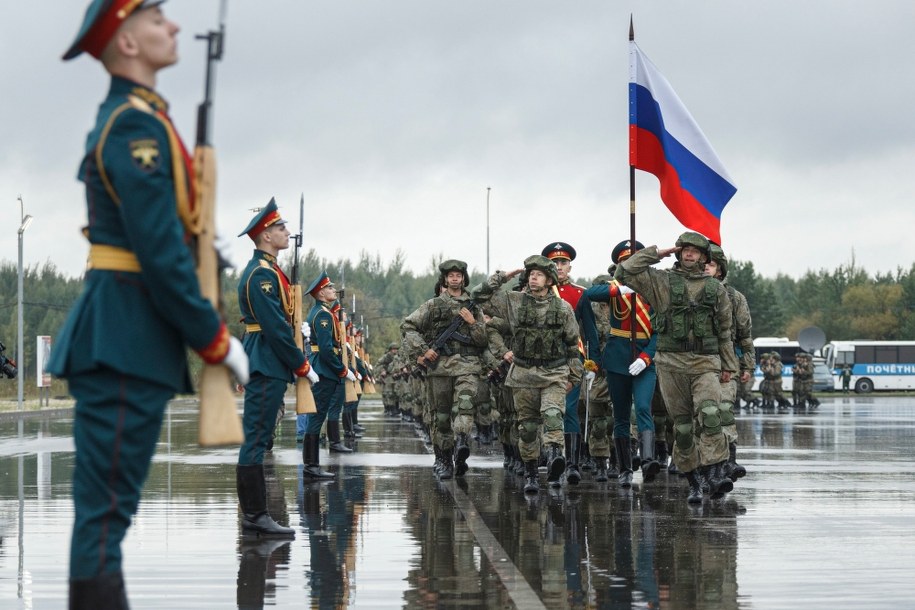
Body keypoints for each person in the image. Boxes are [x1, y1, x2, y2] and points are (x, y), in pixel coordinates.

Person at [50, 2, 249, 606]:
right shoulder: (134, 127)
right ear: (127, 43)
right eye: (157, 19)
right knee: (104, 520)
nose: (174, 27)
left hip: (128, 336)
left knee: (108, 517)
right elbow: (159, 256)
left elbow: (166, 235)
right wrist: (214, 340)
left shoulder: (143, 119)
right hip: (122, 336)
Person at [615, 231, 739, 504]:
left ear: (704, 256)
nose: (689, 253)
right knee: (682, 428)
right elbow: (624, 272)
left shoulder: (715, 289)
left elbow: (725, 330)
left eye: (696, 250)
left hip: (705, 361)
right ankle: (694, 481)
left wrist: (729, 364)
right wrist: (657, 252)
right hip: (671, 363)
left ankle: (715, 472)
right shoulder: (661, 282)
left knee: (710, 414)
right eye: (685, 248)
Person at [236, 198, 320, 537]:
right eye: (281, 228)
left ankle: (256, 514)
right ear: (265, 235)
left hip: (267, 360)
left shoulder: (269, 271)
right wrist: (301, 365)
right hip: (266, 360)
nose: (287, 232)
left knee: (257, 435)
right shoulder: (261, 275)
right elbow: (272, 328)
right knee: (256, 437)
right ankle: (255, 516)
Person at [478, 256, 584, 494]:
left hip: (554, 373)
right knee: (526, 428)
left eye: (539, 274)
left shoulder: (562, 308)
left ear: (549, 280)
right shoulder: (514, 303)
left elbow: (572, 346)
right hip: (524, 373)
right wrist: (503, 277)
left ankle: (556, 456)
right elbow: (479, 297)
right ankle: (531, 473)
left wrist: (573, 378)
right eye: (531, 274)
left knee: (553, 416)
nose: (533, 277)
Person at [578, 240, 660, 487]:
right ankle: (624, 467)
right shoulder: (615, 288)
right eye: (625, 260)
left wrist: (647, 357)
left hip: (644, 358)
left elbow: (661, 330)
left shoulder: (655, 289)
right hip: (617, 359)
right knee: (621, 414)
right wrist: (618, 291)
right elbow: (588, 295)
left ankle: (647, 461)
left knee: (643, 408)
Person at [402, 260, 487, 479]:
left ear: (464, 278)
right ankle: (443, 459)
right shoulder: (433, 305)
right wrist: (423, 350)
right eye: (451, 276)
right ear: (445, 280)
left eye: (458, 275)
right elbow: (408, 326)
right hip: (439, 368)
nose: (455, 279)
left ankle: (461, 443)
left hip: (467, 366)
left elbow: (482, 340)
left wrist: (472, 323)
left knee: (465, 406)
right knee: (440, 417)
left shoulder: (473, 306)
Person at [705, 243, 752, 481]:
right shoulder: (692, 293)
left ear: (720, 270)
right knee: (704, 415)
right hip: (699, 361)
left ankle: (729, 462)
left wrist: (747, 365)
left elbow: (744, 334)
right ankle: (706, 468)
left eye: (711, 265)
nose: (705, 268)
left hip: (727, 362)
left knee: (724, 410)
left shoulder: (735, 298)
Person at [541, 241, 587, 485]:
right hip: (545, 360)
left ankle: (572, 464)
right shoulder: (538, 293)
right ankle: (552, 457)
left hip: (571, 359)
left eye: (563, 262)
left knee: (569, 409)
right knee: (549, 411)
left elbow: (587, 331)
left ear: (570, 266)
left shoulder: (580, 294)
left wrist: (591, 363)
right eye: (554, 262)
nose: (559, 266)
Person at [303, 273, 357, 476]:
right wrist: (342, 370)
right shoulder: (323, 315)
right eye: (330, 288)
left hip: (323, 369)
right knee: (317, 417)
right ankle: (311, 466)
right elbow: (326, 350)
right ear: (321, 293)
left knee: (317, 416)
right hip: (325, 371)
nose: (333, 291)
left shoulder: (321, 312)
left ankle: (312, 465)